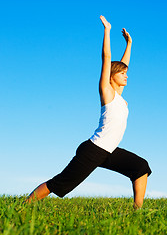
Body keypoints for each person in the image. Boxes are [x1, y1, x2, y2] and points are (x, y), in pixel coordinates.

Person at [26, 15, 152, 209]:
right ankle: (23, 205)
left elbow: (122, 64)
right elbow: (107, 59)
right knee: (60, 184)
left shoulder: (119, 96)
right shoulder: (107, 92)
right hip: (94, 149)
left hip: (108, 151)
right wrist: (107, 31)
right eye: (122, 74)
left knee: (140, 167)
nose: (126, 76)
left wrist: (129, 44)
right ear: (111, 76)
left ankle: (138, 211)